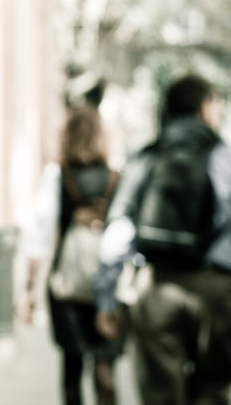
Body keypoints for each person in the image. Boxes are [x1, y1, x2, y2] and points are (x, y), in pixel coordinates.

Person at [95, 73, 231, 404]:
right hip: (217, 291)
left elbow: (116, 237)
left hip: (155, 285)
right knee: (213, 389)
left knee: (160, 392)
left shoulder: (148, 156)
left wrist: (107, 300)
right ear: (204, 107)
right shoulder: (222, 156)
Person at [17, 105, 122, 405]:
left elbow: (40, 235)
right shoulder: (116, 178)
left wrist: (29, 289)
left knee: (72, 369)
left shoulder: (57, 176)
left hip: (67, 286)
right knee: (105, 367)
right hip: (108, 288)